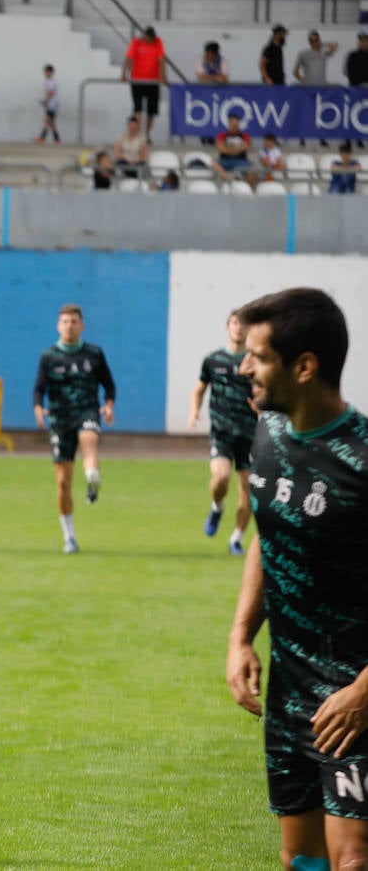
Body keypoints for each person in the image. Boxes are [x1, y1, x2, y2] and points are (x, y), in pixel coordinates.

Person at [224, 287, 366, 871]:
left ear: (304, 367)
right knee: (299, 858)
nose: (243, 368)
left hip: (355, 692)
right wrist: (239, 636)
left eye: (258, 356)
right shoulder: (269, 434)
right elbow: (268, 531)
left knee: (351, 858)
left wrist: (363, 692)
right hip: (289, 691)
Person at [32, 303, 116, 554]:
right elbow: (39, 389)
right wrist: (38, 408)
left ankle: (92, 477)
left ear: (82, 325)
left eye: (74, 322)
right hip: (60, 418)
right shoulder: (49, 356)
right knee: (62, 482)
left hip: (87, 411)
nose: (69, 326)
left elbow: (109, 385)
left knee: (89, 439)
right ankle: (69, 535)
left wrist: (109, 405)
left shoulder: (94, 354)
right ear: (58, 326)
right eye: (65, 322)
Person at [189, 310, 258, 555]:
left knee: (249, 492)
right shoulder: (213, 360)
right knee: (221, 478)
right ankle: (217, 507)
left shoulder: (256, 362)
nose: (239, 328)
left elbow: (267, 394)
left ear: (249, 330)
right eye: (235, 323)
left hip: (251, 434)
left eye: (243, 324)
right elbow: (199, 389)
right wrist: (194, 411)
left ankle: (236, 539)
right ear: (227, 327)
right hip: (222, 431)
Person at [122, 26, 166, 138]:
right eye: (144, 37)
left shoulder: (157, 42)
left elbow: (161, 60)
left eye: (147, 39)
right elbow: (129, 58)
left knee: (151, 110)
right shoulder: (136, 42)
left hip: (153, 82)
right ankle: (138, 133)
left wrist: (163, 76)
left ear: (152, 38)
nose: (145, 40)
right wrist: (124, 74)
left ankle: (147, 134)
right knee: (138, 108)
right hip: (138, 80)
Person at [214, 112, 253, 183]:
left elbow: (246, 146)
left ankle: (248, 189)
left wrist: (228, 148)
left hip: (241, 161)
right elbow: (221, 149)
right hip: (225, 161)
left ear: (238, 123)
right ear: (229, 124)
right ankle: (227, 180)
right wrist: (236, 149)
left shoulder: (245, 136)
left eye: (236, 123)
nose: (234, 125)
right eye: (232, 123)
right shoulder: (222, 135)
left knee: (253, 169)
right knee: (214, 163)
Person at [36, 64, 60, 144]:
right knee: (51, 123)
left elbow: (51, 93)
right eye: (45, 72)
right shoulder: (48, 81)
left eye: (47, 72)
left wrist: (46, 101)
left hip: (52, 105)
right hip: (50, 104)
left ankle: (42, 137)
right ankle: (57, 139)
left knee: (47, 121)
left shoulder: (52, 82)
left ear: (51, 72)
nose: (45, 73)